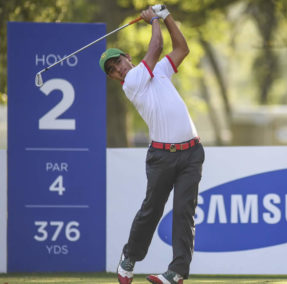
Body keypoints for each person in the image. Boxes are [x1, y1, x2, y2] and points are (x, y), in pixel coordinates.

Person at [99, 4, 204, 284]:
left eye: (118, 62)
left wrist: (167, 15)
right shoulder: (132, 81)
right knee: (152, 210)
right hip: (162, 156)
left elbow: (182, 49)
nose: (118, 69)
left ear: (128, 57)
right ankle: (129, 257)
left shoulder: (158, 73)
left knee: (184, 214)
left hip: (192, 152)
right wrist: (154, 20)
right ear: (113, 77)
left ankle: (178, 272)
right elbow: (156, 46)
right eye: (112, 70)